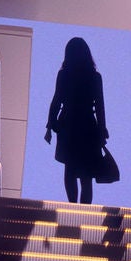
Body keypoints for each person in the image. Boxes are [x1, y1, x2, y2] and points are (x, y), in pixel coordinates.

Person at [44, 36, 109, 204]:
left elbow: (57, 100)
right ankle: (84, 208)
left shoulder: (64, 74)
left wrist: (50, 126)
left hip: (68, 124)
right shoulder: (95, 77)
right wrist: (102, 130)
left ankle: (72, 204)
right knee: (86, 174)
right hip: (88, 125)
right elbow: (100, 107)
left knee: (70, 168)